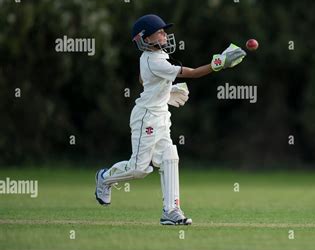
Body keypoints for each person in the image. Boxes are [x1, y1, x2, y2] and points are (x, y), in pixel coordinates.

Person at [94, 14, 246, 225]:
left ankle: (171, 211)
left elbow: (142, 79)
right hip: (146, 117)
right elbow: (192, 73)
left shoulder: (154, 56)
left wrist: (165, 91)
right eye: (160, 31)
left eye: (165, 30)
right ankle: (104, 178)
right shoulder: (154, 60)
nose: (165, 34)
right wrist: (220, 63)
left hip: (161, 115)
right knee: (139, 170)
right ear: (145, 39)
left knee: (170, 158)